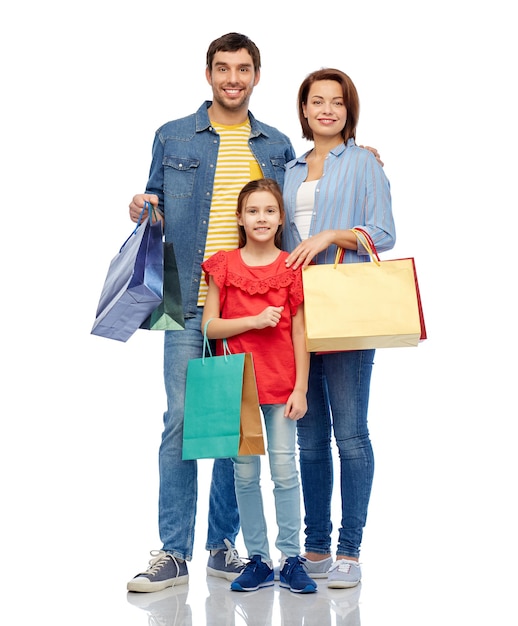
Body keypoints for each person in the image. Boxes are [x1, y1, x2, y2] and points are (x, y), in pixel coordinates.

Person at [125, 33, 296, 593]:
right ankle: (173, 553)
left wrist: (355, 153)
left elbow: (293, 207)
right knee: (180, 419)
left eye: (243, 69)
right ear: (208, 74)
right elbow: (154, 199)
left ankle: (222, 545)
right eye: (223, 68)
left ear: (256, 76)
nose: (232, 78)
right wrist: (141, 205)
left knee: (232, 424)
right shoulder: (172, 135)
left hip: (251, 304)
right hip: (182, 296)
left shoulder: (274, 144)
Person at [282, 68, 396, 589]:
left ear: (349, 111)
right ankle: (316, 545)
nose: (326, 109)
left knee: (350, 433)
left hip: (346, 307)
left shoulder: (365, 164)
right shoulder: (287, 170)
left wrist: (334, 234)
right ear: (304, 110)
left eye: (337, 102)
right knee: (308, 437)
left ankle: (350, 549)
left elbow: (384, 232)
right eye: (316, 101)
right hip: (298, 314)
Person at [201, 178, 316, 594]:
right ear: (240, 218)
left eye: (269, 211)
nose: (261, 218)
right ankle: (259, 560)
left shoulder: (291, 267)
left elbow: (301, 333)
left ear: (281, 218)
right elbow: (209, 325)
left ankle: (291, 558)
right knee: (245, 476)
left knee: (286, 473)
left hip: (282, 386)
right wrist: (253, 320)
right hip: (238, 390)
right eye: (253, 211)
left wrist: (301, 388)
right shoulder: (224, 265)